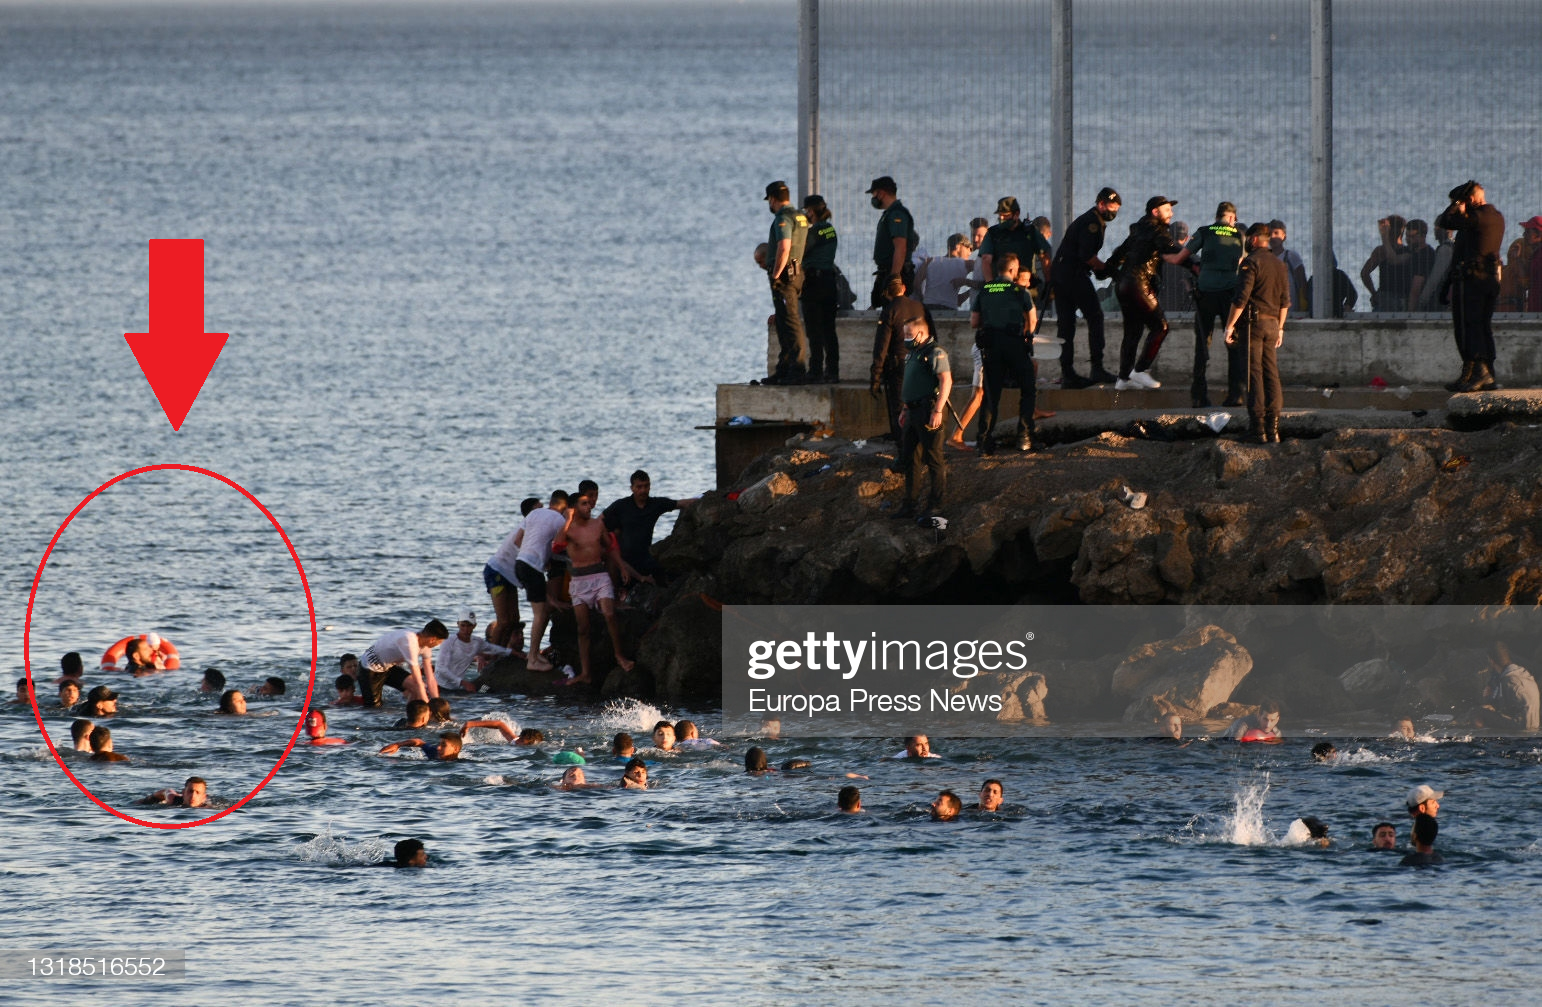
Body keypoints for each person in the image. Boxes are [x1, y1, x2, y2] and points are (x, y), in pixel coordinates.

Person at [1105, 196, 1187, 390]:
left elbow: (1119, 253)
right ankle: (1140, 370)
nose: (1171, 214)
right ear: (1155, 212)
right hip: (1138, 284)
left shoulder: (1137, 230)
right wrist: (1192, 256)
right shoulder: (1157, 230)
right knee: (1161, 327)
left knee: (1133, 331)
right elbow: (1169, 247)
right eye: (1167, 210)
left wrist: (1107, 272)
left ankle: (1123, 379)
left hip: (1124, 285)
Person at [557, 492, 637, 687]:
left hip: (599, 577)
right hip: (579, 581)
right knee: (583, 629)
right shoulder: (567, 529)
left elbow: (610, 548)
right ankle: (585, 673)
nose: (589, 507)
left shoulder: (597, 525)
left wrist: (621, 567)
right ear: (574, 508)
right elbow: (557, 545)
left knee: (609, 614)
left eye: (589, 504)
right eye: (584, 504)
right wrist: (568, 518)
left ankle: (619, 656)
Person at [1224, 222, 1293, 444]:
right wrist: (1281, 327)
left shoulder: (1250, 263)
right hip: (1273, 324)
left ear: (1254, 239)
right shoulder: (1279, 264)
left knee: (1253, 375)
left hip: (1253, 326)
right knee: (1271, 374)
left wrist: (1230, 326)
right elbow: (1285, 302)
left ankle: (1257, 429)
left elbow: (1241, 299)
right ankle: (1273, 430)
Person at [1172, 202, 1245, 407]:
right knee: (1233, 343)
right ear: (1231, 218)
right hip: (1230, 294)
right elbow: (1243, 262)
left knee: (1203, 344)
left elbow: (1184, 255)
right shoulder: (1239, 235)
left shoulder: (1204, 232)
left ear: (1218, 216)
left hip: (1205, 293)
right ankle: (1236, 394)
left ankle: (1198, 396)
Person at [1435, 180, 1505, 392]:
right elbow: (1458, 253)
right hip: (1486, 280)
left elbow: (1445, 220)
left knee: (1469, 327)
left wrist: (1457, 203)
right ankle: (1481, 373)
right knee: (1481, 326)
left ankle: (1480, 372)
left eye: (1461, 201)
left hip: (1473, 280)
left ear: (1470, 200)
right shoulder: (1491, 217)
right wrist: (1446, 283)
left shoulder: (1477, 218)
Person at [1051, 187, 1122, 388]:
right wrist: (1107, 270)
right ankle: (1096, 368)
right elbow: (1086, 255)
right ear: (1101, 204)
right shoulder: (1092, 223)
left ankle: (1067, 372)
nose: (1114, 212)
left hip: (1062, 274)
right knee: (1095, 316)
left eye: (1117, 208)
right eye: (1112, 207)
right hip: (1073, 275)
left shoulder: (1091, 219)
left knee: (1066, 323)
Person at [968, 253, 1039, 456]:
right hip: (1015, 344)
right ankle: (1024, 437)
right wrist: (1027, 334)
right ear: (1011, 270)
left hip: (991, 346)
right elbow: (1031, 321)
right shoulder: (1019, 291)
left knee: (991, 395)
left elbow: (974, 322)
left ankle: (983, 442)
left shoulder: (985, 290)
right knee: (1028, 388)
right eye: (1016, 269)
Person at [894, 316, 952, 521]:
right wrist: (904, 408)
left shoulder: (935, 352)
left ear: (921, 333)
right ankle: (909, 504)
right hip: (911, 412)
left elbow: (946, 381)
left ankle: (936, 506)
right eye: (905, 334)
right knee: (910, 459)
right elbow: (911, 384)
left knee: (934, 459)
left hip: (928, 411)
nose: (906, 338)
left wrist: (937, 410)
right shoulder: (913, 353)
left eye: (909, 334)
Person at [870, 276, 935, 444]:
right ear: (904, 288)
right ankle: (921, 445)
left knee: (900, 410)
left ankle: (903, 450)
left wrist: (875, 376)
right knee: (921, 407)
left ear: (886, 293)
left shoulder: (889, 310)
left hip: (899, 366)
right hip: (922, 363)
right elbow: (933, 337)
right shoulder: (920, 307)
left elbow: (881, 346)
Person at [602, 471, 696, 585]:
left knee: (669, 577)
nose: (643, 490)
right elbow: (599, 521)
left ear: (650, 486)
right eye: (639, 487)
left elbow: (681, 503)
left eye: (646, 486)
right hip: (624, 559)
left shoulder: (655, 504)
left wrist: (706, 498)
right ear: (632, 488)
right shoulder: (621, 505)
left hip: (645, 557)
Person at [511, 494, 570, 673]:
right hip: (532, 567)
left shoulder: (533, 514)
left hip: (520, 562)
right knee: (540, 615)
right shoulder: (560, 519)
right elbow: (560, 543)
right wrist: (569, 518)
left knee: (541, 612)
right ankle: (533, 658)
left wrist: (538, 555)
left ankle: (533, 655)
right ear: (564, 506)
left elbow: (517, 541)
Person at [761, 180, 809, 384]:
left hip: (785, 277)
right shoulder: (801, 216)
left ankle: (796, 369)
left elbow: (784, 247)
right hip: (796, 274)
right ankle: (784, 367)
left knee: (789, 322)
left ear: (772, 199)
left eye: (769, 201)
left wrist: (776, 276)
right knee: (783, 321)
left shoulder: (784, 217)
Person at [483, 498, 541, 651]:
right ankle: (492, 656)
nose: (544, 510)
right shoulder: (527, 525)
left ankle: (503, 652)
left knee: (514, 620)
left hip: (510, 577)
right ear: (532, 513)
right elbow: (517, 541)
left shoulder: (536, 528)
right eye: (540, 508)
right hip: (497, 572)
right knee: (503, 621)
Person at [979, 198, 1052, 308]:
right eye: (1000, 215)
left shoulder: (993, 233)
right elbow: (1044, 257)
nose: (1002, 218)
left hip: (1005, 286)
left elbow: (986, 260)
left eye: (1005, 215)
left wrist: (991, 287)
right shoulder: (1029, 231)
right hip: (1023, 287)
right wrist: (1048, 284)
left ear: (1016, 214)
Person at [799, 194, 841, 382]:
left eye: (806, 211)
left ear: (811, 211)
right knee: (829, 330)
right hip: (829, 282)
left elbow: (801, 251)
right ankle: (832, 371)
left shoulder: (815, 232)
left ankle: (815, 371)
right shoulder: (830, 229)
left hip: (813, 284)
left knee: (814, 330)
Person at [358, 621, 448, 705]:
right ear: (432, 639)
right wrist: (428, 706)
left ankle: (413, 716)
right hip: (369, 669)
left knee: (419, 690)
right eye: (439, 642)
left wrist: (436, 703)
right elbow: (418, 681)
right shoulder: (409, 641)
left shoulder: (425, 646)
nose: (439, 645)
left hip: (389, 667)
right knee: (374, 708)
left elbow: (430, 678)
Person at [866, 175, 918, 309]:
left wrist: (894, 278)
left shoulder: (897, 214)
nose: (873, 198)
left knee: (894, 315)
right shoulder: (889, 214)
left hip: (895, 273)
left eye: (874, 194)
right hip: (887, 272)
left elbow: (900, 247)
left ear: (881, 193)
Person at [435, 610, 509, 693]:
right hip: (442, 687)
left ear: (474, 626)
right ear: (458, 624)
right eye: (463, 625)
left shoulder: (477, 642)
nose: (466, 629)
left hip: (459, 686)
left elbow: (494, 649)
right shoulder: (449, 642)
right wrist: (463, 683)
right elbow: (441, 668)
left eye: (469, 626)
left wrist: (512, 652)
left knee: (487, 690)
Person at [1473, 643, 1540, 732]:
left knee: (1477, 712)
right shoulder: (1522, 672)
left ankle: (1482, 740)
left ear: (1491, 660)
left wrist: (1487, 700)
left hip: (1521, 725)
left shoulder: (1508, 680)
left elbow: (1503, 709)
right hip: (1535, 723)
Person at [1360, 215, 1413, 313]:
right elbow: (1364, 273)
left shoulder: (1382, 251)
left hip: (1386, 297)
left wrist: (1374, 293)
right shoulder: (1409, 251)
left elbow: (1364, 273)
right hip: (1401, 297)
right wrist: (1374, 293)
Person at [916, 233, 975, 309]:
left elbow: (916, 284)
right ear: (958, 247)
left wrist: (922, 300)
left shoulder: (929, 261)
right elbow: (986, 274)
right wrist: (969, 291)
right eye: (968, 249)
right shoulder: (967, 264)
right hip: (949, 308)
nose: (970, 253)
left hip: (928, 308)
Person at [1497, 216, 1540, 312]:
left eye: (1528, 231)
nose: (1524, 234)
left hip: (1533, 307)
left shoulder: (1538, 257)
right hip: (1521, 304)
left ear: (1538, 235)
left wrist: (1518, 260)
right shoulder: (1521, 245)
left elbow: (1527, 283)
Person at [1268, 221, 1309, 317]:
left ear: (1284, 237)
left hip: (1291, 304)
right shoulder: (1265, 256)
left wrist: (1303, 301)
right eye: (1269, 234)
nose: (1273, 237)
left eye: (1276, 233)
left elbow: (1302, 280)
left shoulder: (1291, 256)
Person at [1418, 226, 1457, 311]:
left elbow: (1435, 277)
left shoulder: (1445, 249)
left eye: (1438, 227)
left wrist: (1423, 299)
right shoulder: (1455, 246)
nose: (1435, 229)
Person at [1402, 220, 1437, 311]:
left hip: (1421, 306)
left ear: (1423, 236)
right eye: (1407, 236)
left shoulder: (1425, 255)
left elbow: (1416, 287)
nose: (1408, 240)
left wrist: (1410, 313)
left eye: (1412, 237)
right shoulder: (1412, 251)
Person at [380, 731, 464, 761]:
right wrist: (398, 745)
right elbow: (419, 742)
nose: (438, 747)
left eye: (444, 745)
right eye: (440, 744)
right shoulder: (433, 752)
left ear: (456, 749)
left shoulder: (462, 765)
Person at [141, 777, 208, 807]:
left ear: (204, 797)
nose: (193, 796)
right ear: (183, 792)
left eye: (198, 793)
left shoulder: (208, 809)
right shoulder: (173, 799)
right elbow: (167, 791)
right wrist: (148, 799)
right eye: (190, 791)